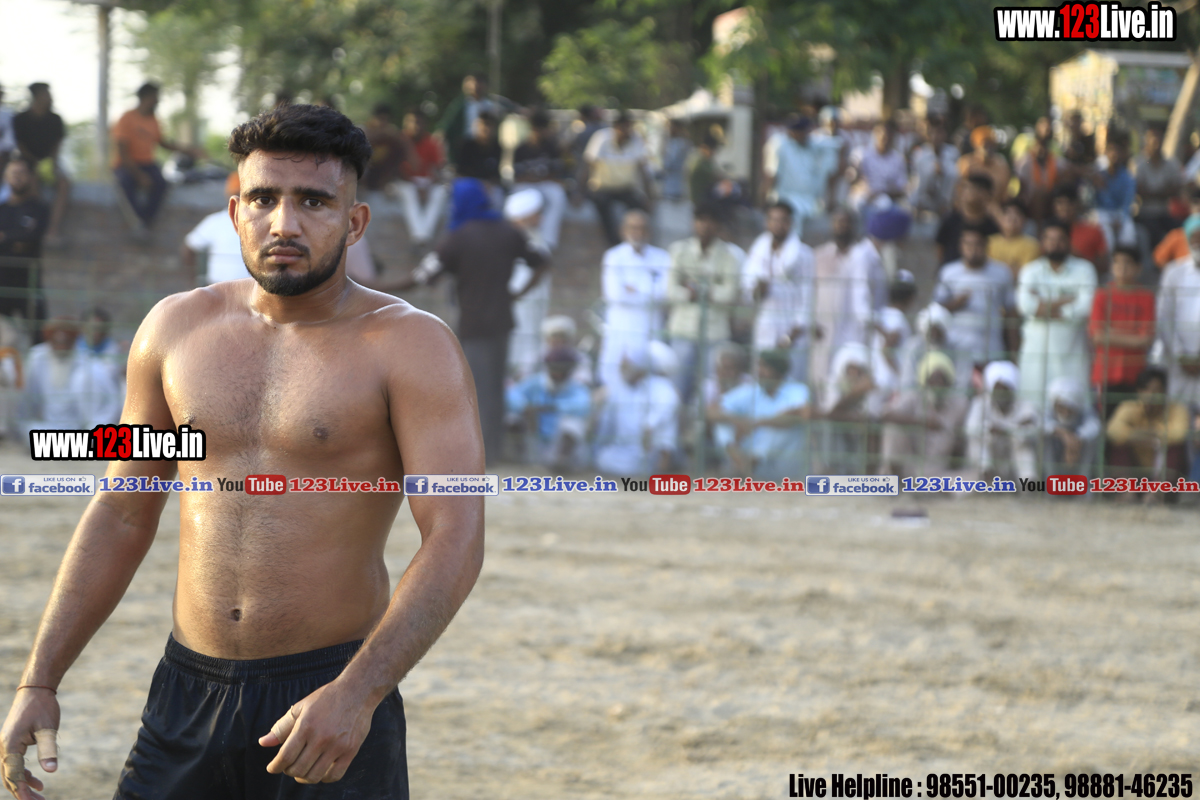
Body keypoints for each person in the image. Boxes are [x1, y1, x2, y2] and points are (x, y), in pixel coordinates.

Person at [1, 103, 486, 799]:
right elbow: (121, 510)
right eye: (263, 199)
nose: (284, 223)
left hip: (329, 697)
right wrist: (39, 679)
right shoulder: (172, 329)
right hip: (185, 694)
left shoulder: (412, 345)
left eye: (313, 201)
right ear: (235, 213)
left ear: (354, 222)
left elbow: (455, 535)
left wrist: (358, 693)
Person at [377, 178, 547, 464]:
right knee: (494, 388)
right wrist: (517, 293)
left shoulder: (458, 237)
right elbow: (541, 262)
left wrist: (374, 287)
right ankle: (492, 452)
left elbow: (421, 277)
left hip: (473, 325)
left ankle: (478, 456)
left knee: (474, 389)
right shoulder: (508, 232)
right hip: (502, 323)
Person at [665, 203, 742, 403]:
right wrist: (704, 291)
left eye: (710, 221)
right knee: (677, 384)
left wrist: (697, 290)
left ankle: (707, 422)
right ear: (694, 223)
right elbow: (671, 291)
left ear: (718, 225)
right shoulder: (679, 251)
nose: (705, 226)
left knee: (712, 387)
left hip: (715, 332)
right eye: (700, 220)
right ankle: (678, 421)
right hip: (683, 329)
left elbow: (730, 294)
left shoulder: (729, 256)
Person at [1016, 219, 1097, 408]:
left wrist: (1043, 303)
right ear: (1042, 242)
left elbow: (1087, 306)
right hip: (1036, 352)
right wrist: (1067, 300)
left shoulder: (1084, 269)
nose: (1055, 244)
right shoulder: (1031, 270)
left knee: (1072, 408)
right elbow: (1025, 306)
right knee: (1032, 406)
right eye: (1050, 239)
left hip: (1072, 352)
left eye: (1060, 239)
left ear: (1069, 241)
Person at [934, 226, 1018, 385]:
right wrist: (956, 304)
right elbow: (935, 310)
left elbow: (1011, 313)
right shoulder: (948, 272)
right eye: (968, 244)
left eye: (978, 244)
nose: (973, 249)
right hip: (957, 351)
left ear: (986, 246)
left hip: (991, 351)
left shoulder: (1002, 272)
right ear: (961, 246)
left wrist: (1013, 353)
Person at [111, 83, 201, 230]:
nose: (157, 101)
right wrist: (139, 176)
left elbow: (163, 143)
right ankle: (136, 222)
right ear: (145, 98)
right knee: (126, 183)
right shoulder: (126, 118)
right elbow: (122, 152)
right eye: (155, 97)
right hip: (126, 164)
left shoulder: (153, 120)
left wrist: (188, 150)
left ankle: (146, 221)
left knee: (161, 184)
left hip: (147, 164)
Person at [710, 348, 810, 479]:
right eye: (759, 366)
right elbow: (711, 410)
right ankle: (742, 468)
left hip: (782, 464)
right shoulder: (753, 389)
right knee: (722, 426)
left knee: (776, 429)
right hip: (749, 458)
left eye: (765, 367)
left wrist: (756, 423)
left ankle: (746, 469)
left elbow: (802, 414)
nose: (759, 371)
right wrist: (736, 420)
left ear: (778, 371)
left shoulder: (797, 390)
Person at [742, 202, 814, 381]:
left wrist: (790, 337)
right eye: (773, 220)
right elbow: (749, 292)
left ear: (790, 223)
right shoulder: (758, 251)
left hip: (793, 330)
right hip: (765, 327)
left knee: (792, 382)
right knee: (762, 380)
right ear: (766, 222)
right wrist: (759, 289)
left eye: (782, 220)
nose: (778, 225)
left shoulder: (804, 254)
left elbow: (807, 297)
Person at [598, 209, 670, 388]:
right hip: (620, 325)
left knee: (649, 378)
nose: (638, 232)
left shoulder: (662, 257)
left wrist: (633, 289)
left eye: (642, 228)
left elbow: (663, 293)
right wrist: (648, 290)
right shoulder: (613, 256)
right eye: (633, 228)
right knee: (614, 374)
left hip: (650, 326)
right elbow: (614, 295)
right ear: (623, 230)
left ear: (649, 231)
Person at [16, 316, 124, 435]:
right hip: (47, 426)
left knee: (82, 379)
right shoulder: (37, 357)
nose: (61, 343)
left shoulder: (87, 362)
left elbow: (111, 402)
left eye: (66, 339)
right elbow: (27, 398)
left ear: (74, 339)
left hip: (78, 427)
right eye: (56, 339)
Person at [809, 207, 874, 394]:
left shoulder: (864, 257)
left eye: (846, 223)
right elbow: (811, 292)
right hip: (823, 329)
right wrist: (811, 321)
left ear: (854, 226)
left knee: (850, 380)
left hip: (853, 331)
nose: (841, 227)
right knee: (820, 378)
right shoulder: (820, 255)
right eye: (838, 222)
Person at [1089, 244, 1155, 418]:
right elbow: (1097, 337)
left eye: (1127, 263)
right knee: (1106, 423)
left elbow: (1146, 340)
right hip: (1106, 372)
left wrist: (1111, 333)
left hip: (1136, 373)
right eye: (1117, 262)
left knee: (1132, 422)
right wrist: (1133, 336)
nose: (1122, 267)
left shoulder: (1146, 297)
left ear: (1138, 268)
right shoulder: (1102, 295)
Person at [879, 350, 969, 478]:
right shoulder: (914, 397)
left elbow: (962, 441)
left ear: (949, 383)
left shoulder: (959, 404)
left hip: (938, 471)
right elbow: (885, 415)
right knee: (893, 428)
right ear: (924, 382)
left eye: (942, 380)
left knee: (973, 479)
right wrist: (922, 422)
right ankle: (894, 479)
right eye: (933, 380)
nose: (938, 385)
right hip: (910, 465)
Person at [593, 346, 679, 475]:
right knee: (603, 458)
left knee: (665, 422)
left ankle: (661, 468)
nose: (623, 368)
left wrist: (648, 426)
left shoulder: (661, 387)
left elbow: (660, 416)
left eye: (627, 365)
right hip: (620, 452)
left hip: (648, 453)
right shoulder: (624, 387)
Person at [1105, 365, 1191, 489]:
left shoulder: (1177, 409)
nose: (1150, 395)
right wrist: (1137, 436)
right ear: (1138, 392)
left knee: (1175, 448)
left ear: (1164, 392)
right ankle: (1126, 492)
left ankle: (1157, 493)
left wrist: (1152, 434)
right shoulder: (1129, 407)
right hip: (1136, 471)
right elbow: (1112, 430)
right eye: (1145, 390)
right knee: (1119, 445)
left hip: (1165, 474)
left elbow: (1180, 433)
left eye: (1156, 390)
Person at [506, 346, 591, 469]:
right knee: (512, 418)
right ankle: (517, 458)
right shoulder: (535, 382)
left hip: (556, 445)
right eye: (554, 368)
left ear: (571, 369)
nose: (558, 373)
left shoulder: (576, 387)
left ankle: (561, 461)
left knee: (573, 424)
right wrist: (525, 407)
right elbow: (511, 395)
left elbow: (584, 405)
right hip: (532, 440)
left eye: (563, 369)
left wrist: (551, 408)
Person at [583, 111, 654, 246]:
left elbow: (643, 170)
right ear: (616, 127)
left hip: (625, 189)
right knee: (603, 208)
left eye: (629, 128)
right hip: (602, 188)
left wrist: (649, 196)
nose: (627, 132)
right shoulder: (601, 137)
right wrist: (579, 192)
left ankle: (635, 243)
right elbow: (587, 165)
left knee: (638, 209)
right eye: (624, 128)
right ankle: (613, 244)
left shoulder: (636, 140)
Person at [504, 188, 553, 380]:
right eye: (536, 214)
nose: (540, 218)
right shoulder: (512, 240)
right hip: (518, 308)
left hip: (536, 308)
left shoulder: (538, 239)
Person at [965, 360, 1038, 482]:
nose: (1001, 393)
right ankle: (986, 477)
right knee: (978, 441)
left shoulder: (1025, 406)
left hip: (1013, 460)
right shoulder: (980, 403)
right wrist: (1012, 428)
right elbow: (971, 428)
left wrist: (1004, 430)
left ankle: (1029, 483)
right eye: (997, 389)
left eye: (1005, 389)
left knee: (1023, 446)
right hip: (992, 457)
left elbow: (1032, 430)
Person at [12, 83, 68, 242]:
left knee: (64, 184)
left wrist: (51, 162)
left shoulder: (55, 119)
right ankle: (38, 227)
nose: (50, 97)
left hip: (50, 163)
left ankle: (53, 229)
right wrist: (34, 162)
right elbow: (20, 145)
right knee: (33, 182)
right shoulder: (21, 118)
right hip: (28, 163)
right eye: (46, 94)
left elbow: (57, 143)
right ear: (37, 96)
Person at [0, 156, 50, 336]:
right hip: (2, 283)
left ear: (30, 177)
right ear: (6, 176)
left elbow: (31, 237)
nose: (17, 177)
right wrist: (14, 241)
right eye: (13, 173)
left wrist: (5, 238)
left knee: (38, 335)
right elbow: (20, 239)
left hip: (29, 283)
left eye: (21, 173)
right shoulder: (2, 209)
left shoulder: (39, 208)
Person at [762, 117, 832, 236]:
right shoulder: (780, 144)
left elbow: (836, 145)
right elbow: (771, 175)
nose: (801, 134)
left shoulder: (813, 144)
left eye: (804, 131)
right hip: (785, 197)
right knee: (793, 214)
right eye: (796, 131)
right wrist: (764, 199)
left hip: (809, 200)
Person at [1156, 222, 1200, 408]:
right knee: (1178, 415)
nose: (1198, 243)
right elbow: (1164, 316)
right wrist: (1181, 355)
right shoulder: (1174, 271)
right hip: (1178, 363)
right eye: (1194, 238)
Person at [512, 110, 568, 251]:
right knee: (518, 198)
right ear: (532, 129)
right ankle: (520, 238)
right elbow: (518, 177)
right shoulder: (521, 148)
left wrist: (538, 178)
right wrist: (536, 178)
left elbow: (556, 173)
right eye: (538, 129)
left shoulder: (552, 147)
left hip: (544, 183)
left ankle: (547, 241)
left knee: (558, 194)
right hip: (526, 185)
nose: (541, 133)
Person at [397, 109, 447, 248]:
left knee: (441, 192)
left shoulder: (431, 142)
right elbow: (396, 171)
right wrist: (416, 187)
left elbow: (438, 170)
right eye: (411, 122)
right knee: (409, 193)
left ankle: (421, 236)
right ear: (405, 123)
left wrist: (428, 187)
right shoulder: (400, 140)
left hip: (425, 181)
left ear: (425, 124)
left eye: (418, 122)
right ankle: (420, 236)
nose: (415, 126)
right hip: (405, 182)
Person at [1133, 125, 1183, 251]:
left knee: (1181, 229)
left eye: (1159, 138)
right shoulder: (1139, 163)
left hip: (1165, 212)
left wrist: (1152, 192)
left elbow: (1176, 188)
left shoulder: (1171, 163)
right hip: (1145, 213)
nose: (1156, 143)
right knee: (1153, 232)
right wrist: (1163, 191)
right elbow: (1140, 191)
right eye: (1153, 139)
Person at [181, 199, 251, 285]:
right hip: (219, 287)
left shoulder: (261, 220)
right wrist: (192, 277)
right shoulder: (215, 221)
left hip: (254, 287)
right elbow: (190, 246)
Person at [1042, 375, 1100, 478]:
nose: (1065, 412)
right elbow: (1040, 424)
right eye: (1061, 407)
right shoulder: (1049, 412)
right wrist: (1064, 435)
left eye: (1069, 408)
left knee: (1092, 440)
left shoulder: (1084, 411)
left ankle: (1083, 482)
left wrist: (1076, 440)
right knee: (1044, 438)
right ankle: (1050, 482)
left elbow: (1095, 425)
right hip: (1055, 455)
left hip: (1078, 453)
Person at [935, 174, 999, 266]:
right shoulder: (950, 220)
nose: (968, 193)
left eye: (974, 189)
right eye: (966, 188)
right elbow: (940, 249)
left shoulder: (993, 225)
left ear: (987, 194)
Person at [1090, 133, 1136, 250]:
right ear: (1106, 152)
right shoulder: (1099, 175)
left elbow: (1127, 203)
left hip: (1119, 213)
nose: (1114, 154)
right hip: (1102, 213)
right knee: (1106, 234)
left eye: (1118, 151)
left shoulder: (1128, 178)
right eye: (1111, 150)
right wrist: (1100, 188)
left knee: (1128, 233)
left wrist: (1120, 220)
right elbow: (1096, 202)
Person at [1051, 185, 1108, 276]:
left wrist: (1079, 258)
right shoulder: (1047, 233)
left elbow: (1105, 267)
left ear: (1078, 205)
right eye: (1060, 203)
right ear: (1054, 206)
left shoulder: (1093, 231)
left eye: (1070, 203)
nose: (1065, 207)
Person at [909, 117, 959, 218]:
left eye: (939, 133)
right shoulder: (919, 154)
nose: (936, 137)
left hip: (947, 206)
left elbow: (955, 179)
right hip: (924, 205)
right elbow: (916, 182)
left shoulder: (953, 153)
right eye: (932, 133)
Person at [1014, 118, 1061, 224]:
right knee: (1039, 193)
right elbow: (1022, 188)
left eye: (1044, 147)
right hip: (1030, 200)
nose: (1041, 150)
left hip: (1050, 198)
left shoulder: (1053, 160)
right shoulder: (1026, 162)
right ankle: (1038, 226)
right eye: (1039, 146)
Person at [856, 120, 909, 210]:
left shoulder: (898, 159)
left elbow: (901, 189)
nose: (884, 138)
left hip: (886, 201)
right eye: (880, 134)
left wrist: (880, 193)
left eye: (888, 135)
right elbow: (855, 180)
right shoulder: (862, 155)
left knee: (885, 204)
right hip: (864, 197)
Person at [988, 198, 1041, 281]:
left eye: (1017, 213)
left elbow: (1025, 275)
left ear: (1025, 220)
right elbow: (984, 272)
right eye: (1007, 213)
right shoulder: (988, 242)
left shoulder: (1032, 245)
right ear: (1000, 218)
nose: (1012, 217)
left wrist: (997, 269)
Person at [956, 126, 1011, 206]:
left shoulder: (1001, 166)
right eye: (986, 145)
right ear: (976, 145)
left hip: (993, 208)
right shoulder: (966, 163)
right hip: (969, 208)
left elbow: (1005, 196)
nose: (989, 149)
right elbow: (959, 190)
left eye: (992, 145)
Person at [362, 103, 411, 193]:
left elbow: (406, 158)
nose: (383, 123)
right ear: (373, 118)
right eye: (381, 119)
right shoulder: (363, 131)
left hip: (384, 178)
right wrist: (378, 135)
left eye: (386, 120)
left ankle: (385, 183)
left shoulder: (392, 136)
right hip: (364, 177)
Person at [1153, 184, 1200, 270]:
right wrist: (1176, 272)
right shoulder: (1176, 236)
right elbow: (1159, 259)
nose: (1199, 207)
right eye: (1196, 203)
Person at [455, 111, 502, 184]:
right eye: (483, 125)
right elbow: (460, 173)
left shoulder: (497, 148)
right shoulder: (467, 146)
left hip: (490, 186)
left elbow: (496, 176)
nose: (486, 128)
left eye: (489, 125)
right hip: (469, 184)